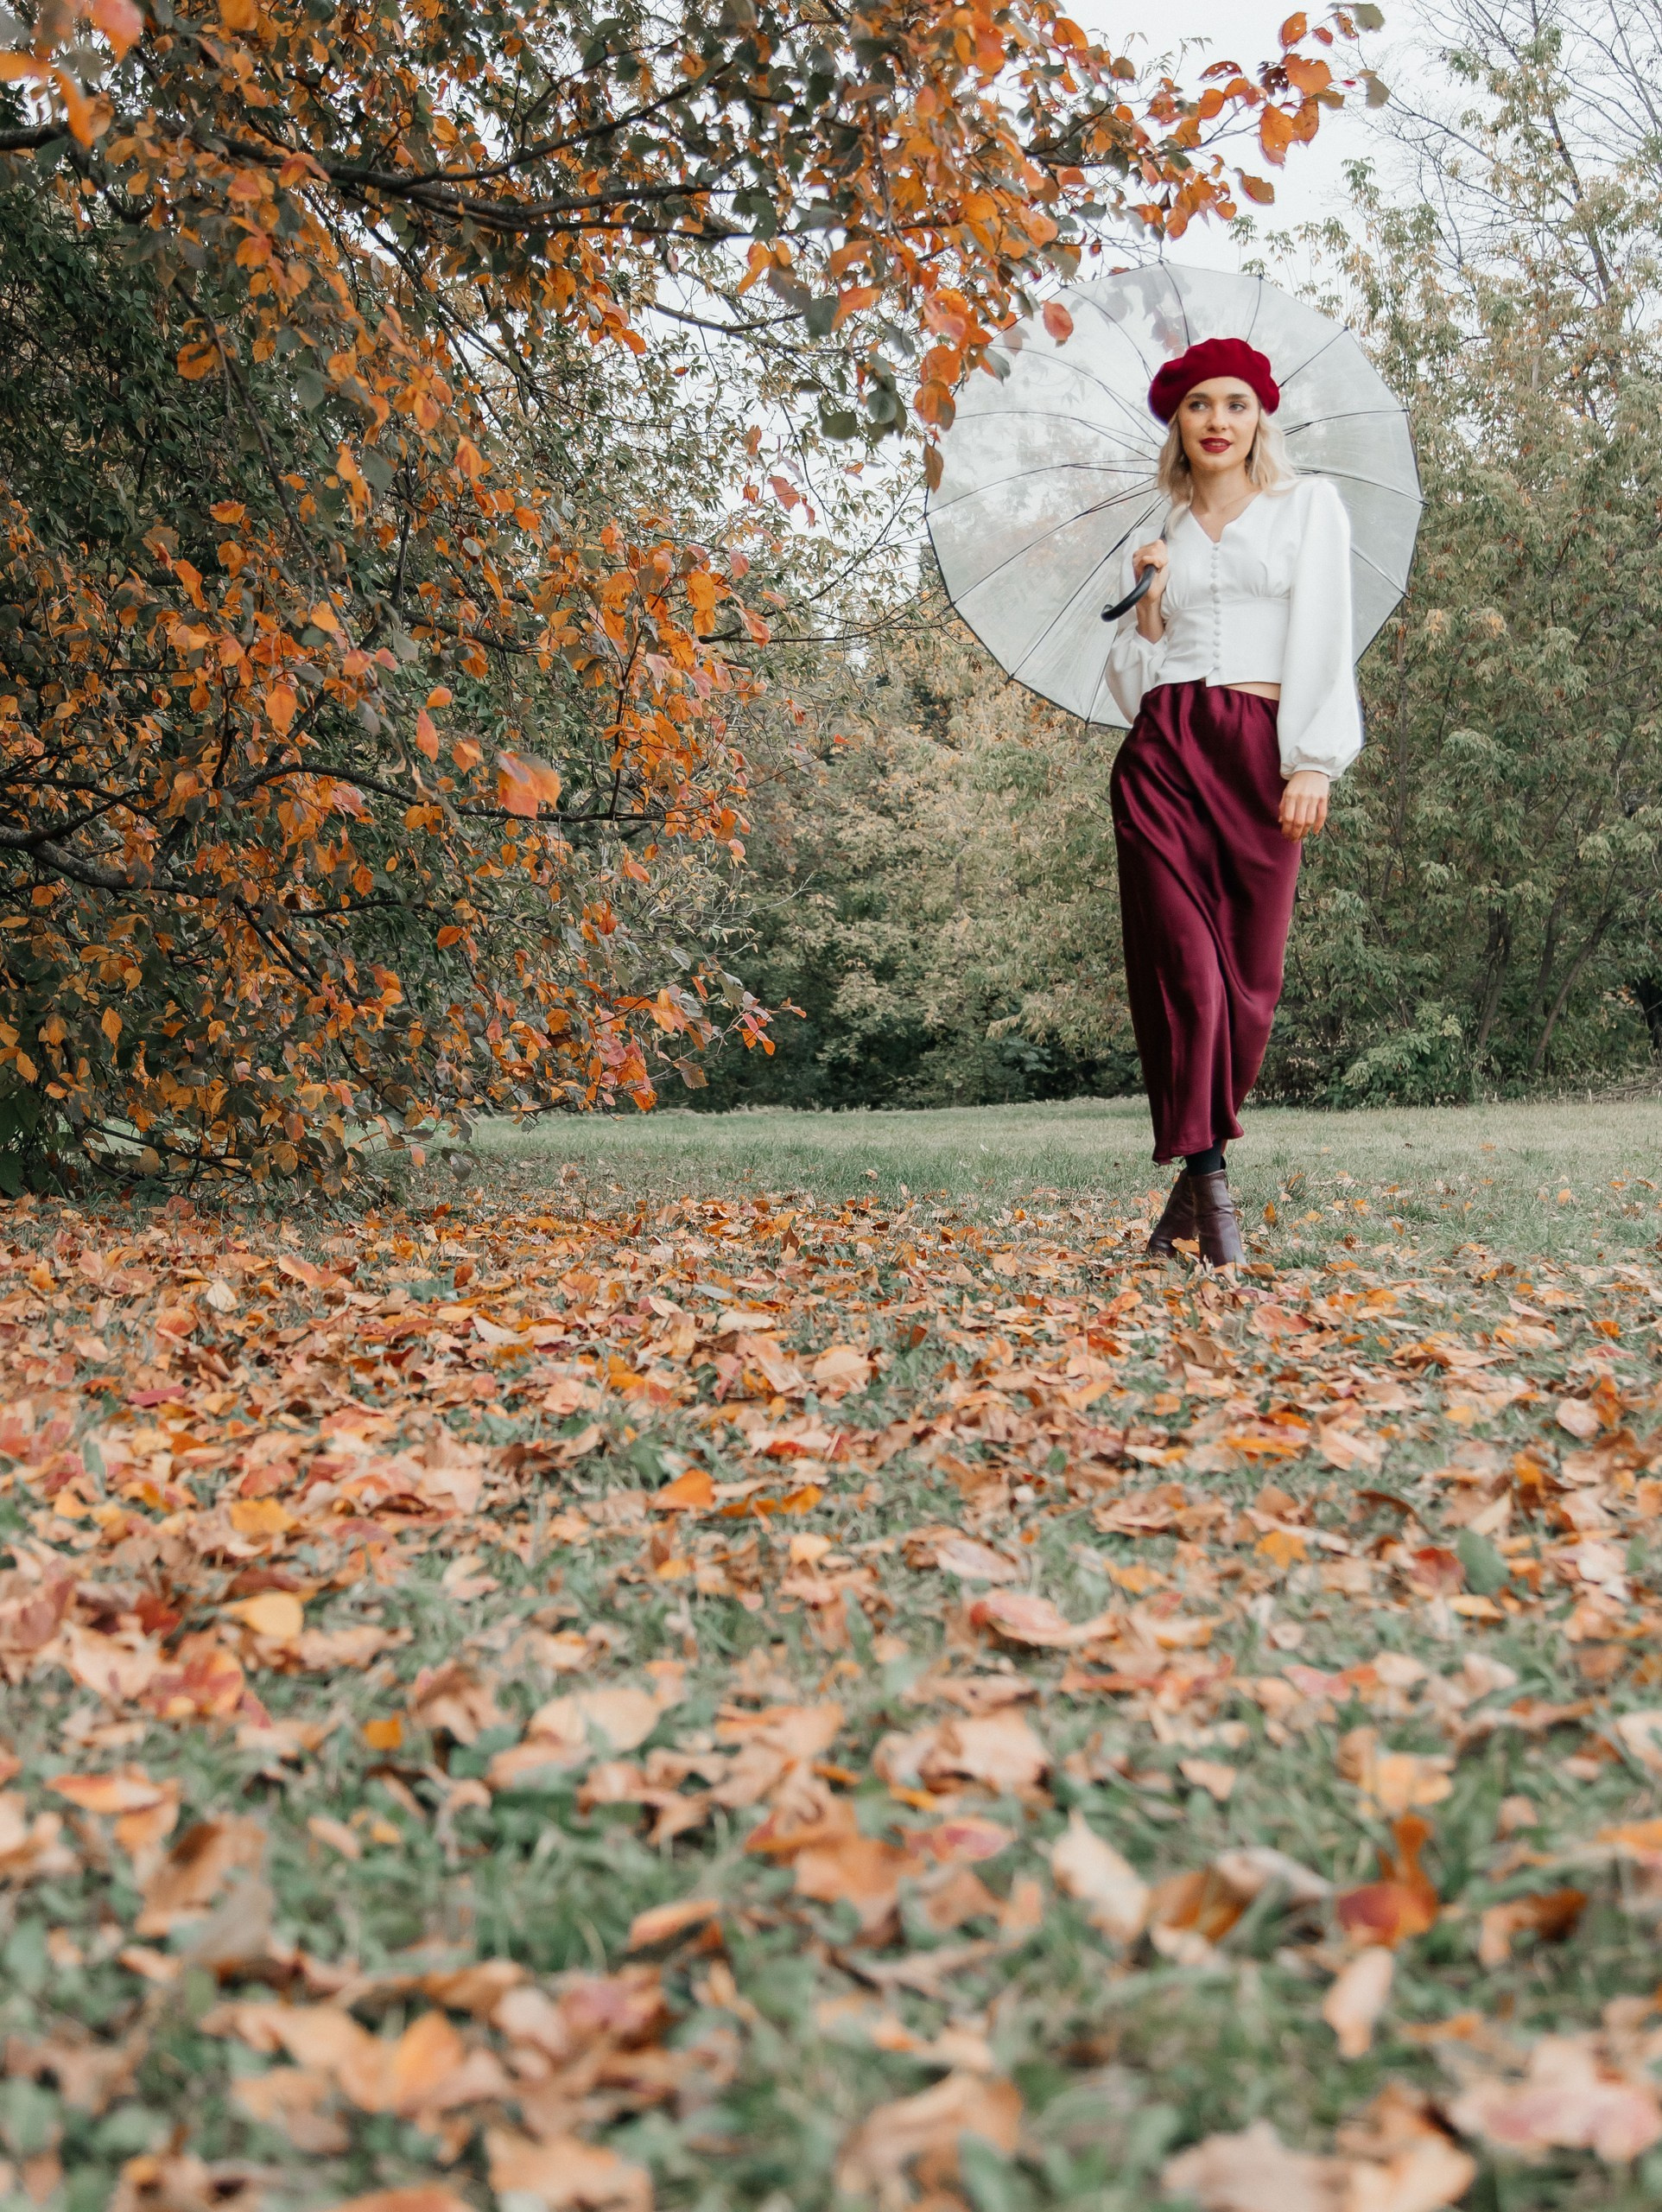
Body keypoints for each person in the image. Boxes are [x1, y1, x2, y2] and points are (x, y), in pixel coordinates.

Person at [1104, 336, 1362, 1267]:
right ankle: (1215, 1205)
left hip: (1260, 754)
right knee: (1187, 976)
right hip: (1162, 753)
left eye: (1236, 404)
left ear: (1261, 416)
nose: (1218, 422)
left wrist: (1314, 760)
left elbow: (1326, 632)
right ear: (1176, 420)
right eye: (1200, 405)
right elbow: (1130, 685)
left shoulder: (1306, 508)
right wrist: (1146, 603)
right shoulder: (1155, 525)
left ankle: (1187, 1191)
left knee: (1249, 991)